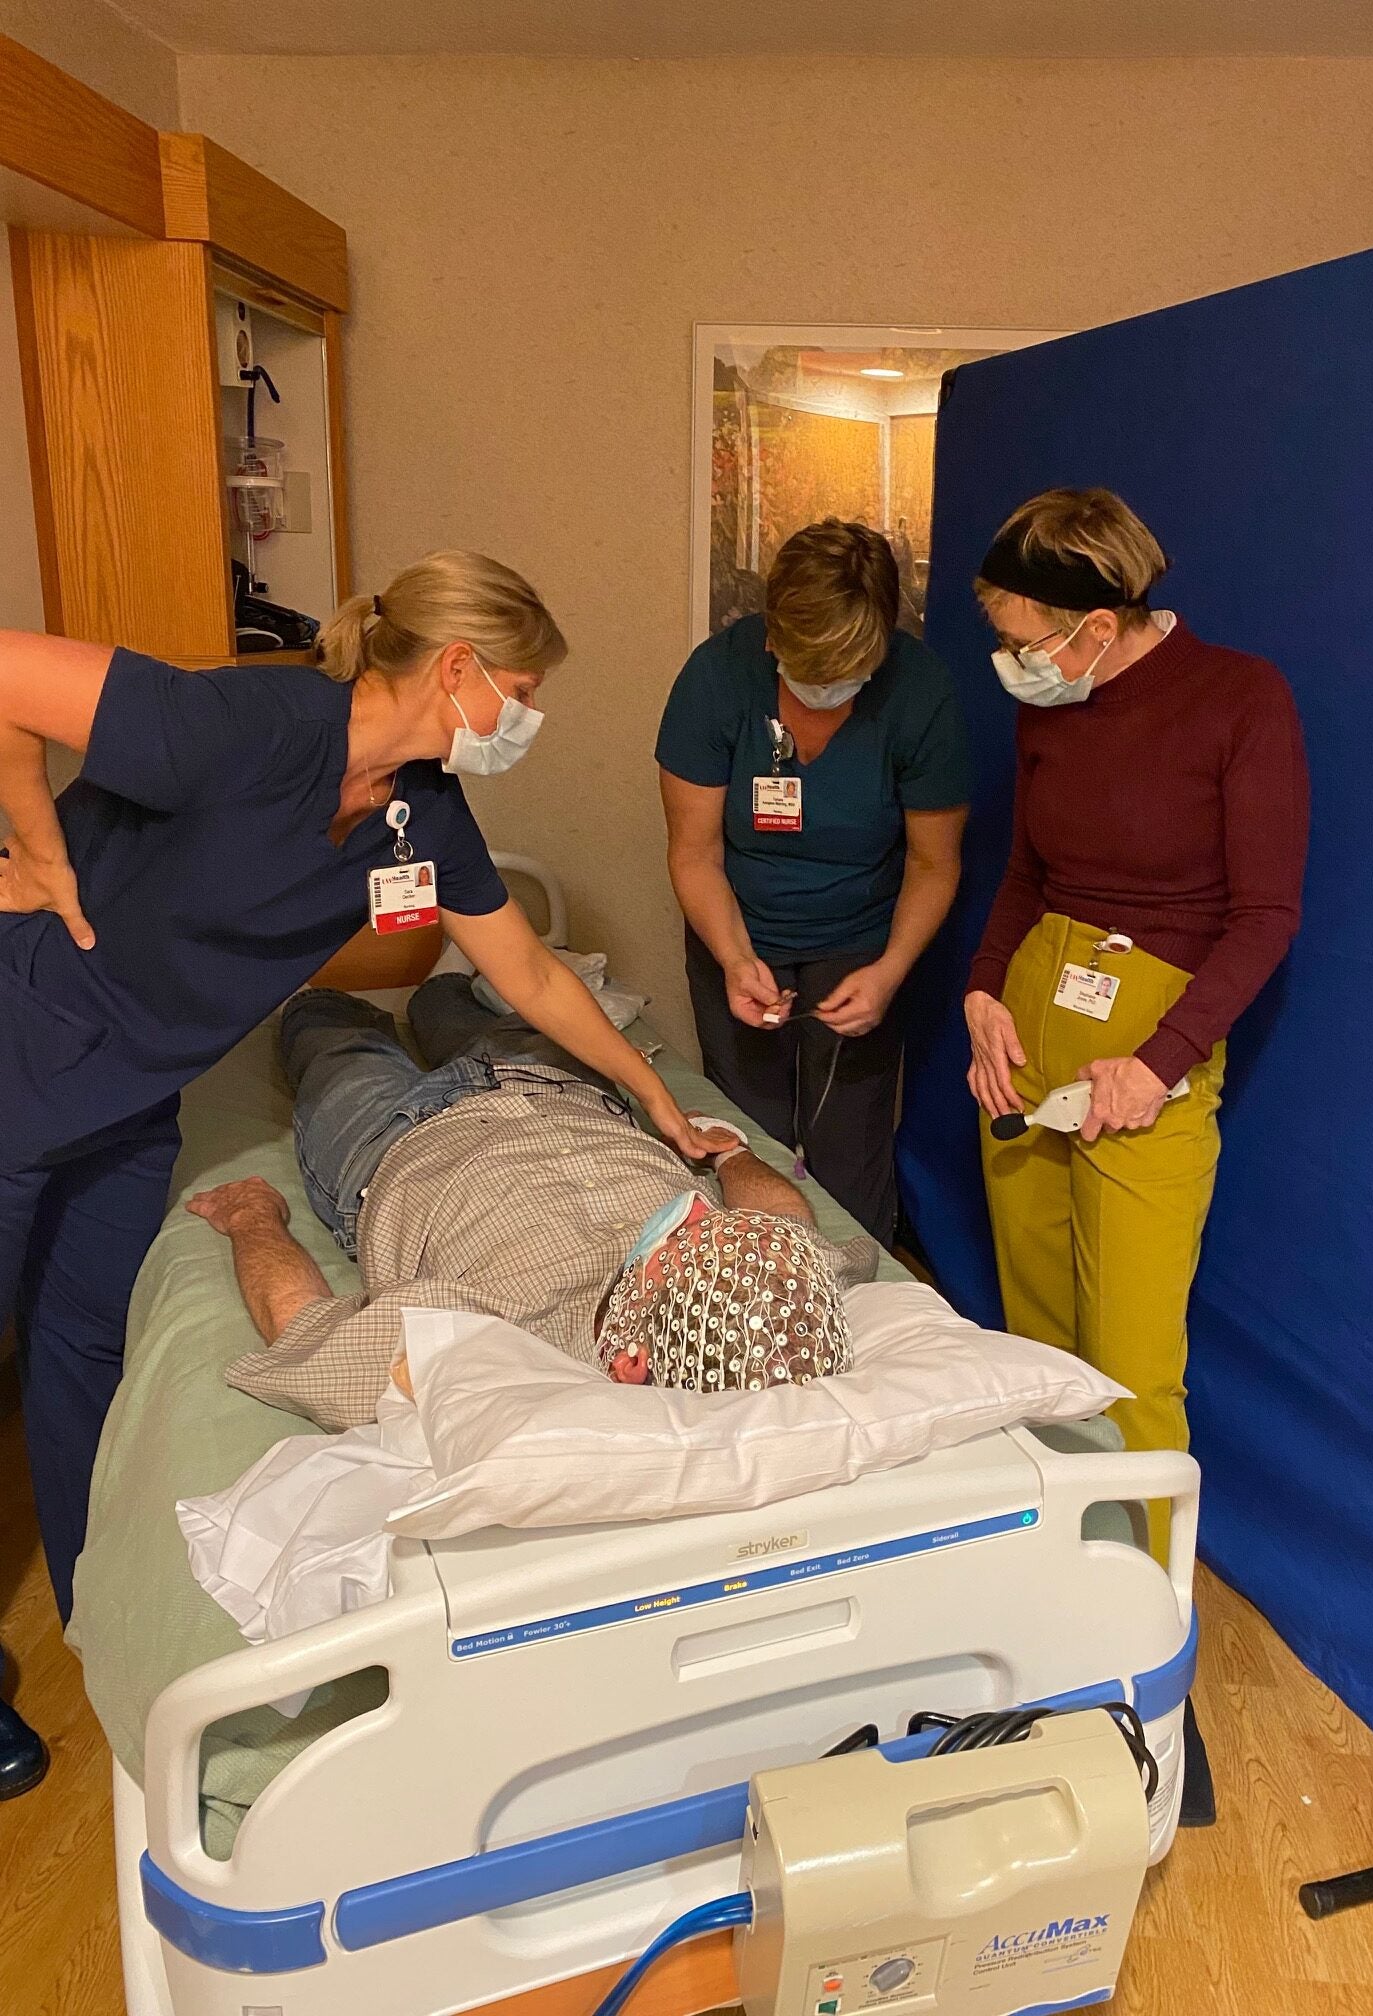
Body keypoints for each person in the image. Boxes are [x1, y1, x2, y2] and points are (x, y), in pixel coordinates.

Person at [0, 552, 707, 1796]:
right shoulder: (240, 723)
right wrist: (38, 840)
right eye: (524, 690)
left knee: (87, 1362)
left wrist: (657, 1100)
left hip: (132, 1098)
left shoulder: (421, 809)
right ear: (458, 669)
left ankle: (91, 1615)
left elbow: (528, 975)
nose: (528, 720)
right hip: (25, 1047)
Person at [964, 488, 1309, 1561]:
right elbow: (1025, 871)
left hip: (1151, 1041)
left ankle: (1142, 1595)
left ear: (1097, 627)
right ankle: (1051, 1563)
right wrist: (980, 994)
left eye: (1025, 640)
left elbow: (1265, 918)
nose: (1012, 660)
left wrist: (1160, 1065)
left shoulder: (1239, 699)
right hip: (1029, 1024)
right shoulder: (1050, 702)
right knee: (1038, 1332)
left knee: (1129, 1359)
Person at [188, 975, 873, 1428]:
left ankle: (335, 1011)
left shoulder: (487, 1339)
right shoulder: (781, 1293)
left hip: (392, 1140)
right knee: (446, 997)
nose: (698, 1211)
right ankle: (440, 994)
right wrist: (731, 1154)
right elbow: (781, 1220)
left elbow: (306, 1333)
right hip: (564, 1091)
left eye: (683, 1241)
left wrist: (251, 1217)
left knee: (323, 1023)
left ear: (629, 1361)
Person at [657, 519, 971, 1245]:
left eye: (853, 675)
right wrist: (736, 961)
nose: (831, 692)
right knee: (746, 1137)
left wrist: (890, 971)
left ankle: (863, 1310)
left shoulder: (920, 694)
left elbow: (934, 862)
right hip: (737, 931)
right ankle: (756, 1296)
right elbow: (694, 854)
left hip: (862, 941)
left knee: (849, 1148)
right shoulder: (718, 679)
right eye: (812, 672)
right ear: (772, 636)